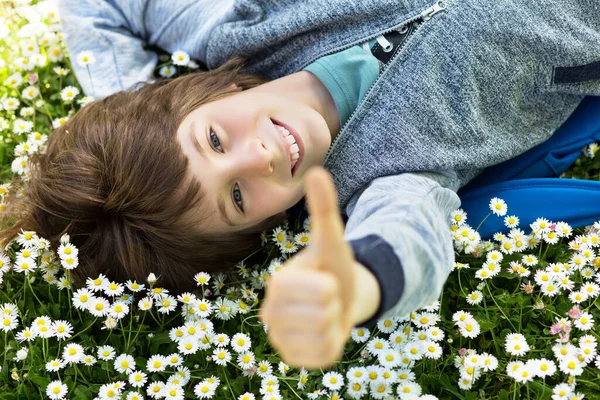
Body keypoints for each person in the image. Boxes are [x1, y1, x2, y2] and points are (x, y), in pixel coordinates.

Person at [2, 0, 600, 368]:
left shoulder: (238, 23)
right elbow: (409, 236)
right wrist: (358, 286)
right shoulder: (388, 178)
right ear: (262, 228)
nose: (258, 156)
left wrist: (127, 105)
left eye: (212, 140)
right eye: (236, 198)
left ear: (205, 92)